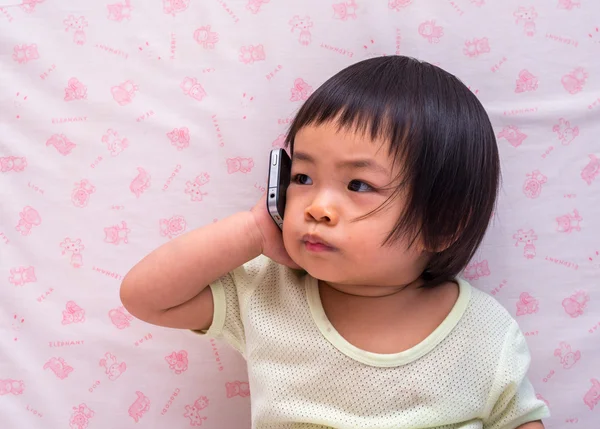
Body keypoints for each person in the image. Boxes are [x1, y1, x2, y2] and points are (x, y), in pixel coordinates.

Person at [120, 56, 550, 428]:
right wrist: (253, 231)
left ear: (442, 223)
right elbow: (146, 297)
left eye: (358, 184)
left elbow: (518, 420)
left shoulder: (484, 331)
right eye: (303, 178)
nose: (317, 206)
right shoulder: (268, 294)